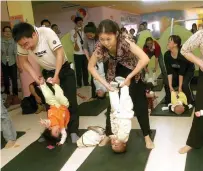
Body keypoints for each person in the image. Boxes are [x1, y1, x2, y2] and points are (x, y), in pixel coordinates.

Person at [88, 19, 154, 149]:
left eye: (108, 39)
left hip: (132, 71)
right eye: (102, 39)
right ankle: (109, 133)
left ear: (116, 34)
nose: (105, 43)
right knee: (112, 105)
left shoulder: (125, 41)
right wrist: (105, 85)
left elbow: (144, 59)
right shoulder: (99, 46)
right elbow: (90, 67)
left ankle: (147, 136)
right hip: (114, 71)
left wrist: (130, 76)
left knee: (140, 104)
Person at [12, 22, 79, 143]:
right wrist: (36, 78)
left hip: (63, 69)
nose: (26, 48)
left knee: (70, 101)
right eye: (22, 45)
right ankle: (50, 129)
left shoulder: (47, 33)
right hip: (47, 71)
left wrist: (57, 75)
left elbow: (59, 53)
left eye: (26, 44)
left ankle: (73, 130)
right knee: (50, 104)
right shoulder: (21, 43)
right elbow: (24, 61)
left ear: (33, 34)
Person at [179, 30, 203, 154]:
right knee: (200, 109)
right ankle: (193, 142)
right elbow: (184, 49)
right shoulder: (201, 34)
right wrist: (200, 62)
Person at [164, 35, 195, 105]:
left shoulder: (182, 55)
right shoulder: (167, 55)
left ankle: (191, 101)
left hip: (188, 70)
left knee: (184, 85)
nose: (167, 43)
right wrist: (170, 85)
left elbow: (182, 72)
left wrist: (180, 87)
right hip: (176, 70)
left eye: (169, 41)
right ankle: (169, 101)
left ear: (175, 44)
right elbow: (169, 72)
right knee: (167, 83)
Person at [40, 78, 70, 145]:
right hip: (63, 106)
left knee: (48, 97)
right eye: (58, 133)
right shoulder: (62, 127)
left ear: (50, 128)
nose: (58, 131)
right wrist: (61, 142)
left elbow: (47, 122)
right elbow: (64, 135)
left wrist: (44, 122)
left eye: (56, 132)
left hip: (54, 105)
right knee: (59, 96)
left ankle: (43, 84)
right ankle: (54, 84)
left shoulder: (50, 124)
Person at [109, 80, 134, 153]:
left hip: (116, 114)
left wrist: (111, 115)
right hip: (125, 113)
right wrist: (115, 137)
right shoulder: (123, 137)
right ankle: (124, 84)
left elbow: (112, 123)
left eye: (112, 145)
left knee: (113, 102)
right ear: (124, 144)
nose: (113, 143)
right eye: (116, 145)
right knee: (125, 98)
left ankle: (113, 89)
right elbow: (121, 134)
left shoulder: (114, 133)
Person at [1, 26, 21, 108]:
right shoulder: (0, 41)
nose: (8, 33)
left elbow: (16, 54)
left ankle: (15, 95)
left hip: (12, 62)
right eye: (6, 31)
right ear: (3, 33)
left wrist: (18, 64)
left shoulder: (14, 41)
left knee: (14, 79)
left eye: (9, 31)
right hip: (4, 62)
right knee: (6, 79)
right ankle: (8, 95)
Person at [70, 17, 89, 88]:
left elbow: (88, 38)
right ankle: (79, 84)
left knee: (85, 69)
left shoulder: (84, 30)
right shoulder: (72, 31)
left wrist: (84, 31)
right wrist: (75, 31)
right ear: (76, 23)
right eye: (79, 23)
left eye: (81, 22)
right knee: (78, 70)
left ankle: (86, 82)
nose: (80, 24)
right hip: (77, 53)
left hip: (85, 53)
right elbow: (72, 40)